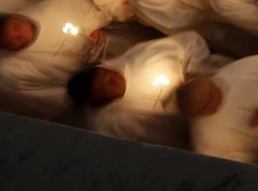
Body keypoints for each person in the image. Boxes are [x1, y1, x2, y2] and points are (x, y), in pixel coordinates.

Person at [70, 31, 214, 147]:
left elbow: (190, 42)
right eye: (107, 87)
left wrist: (194, 75)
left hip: (217, 86)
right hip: (200, 137)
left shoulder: (142, 56)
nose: (115, 78)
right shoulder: (105, 128)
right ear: (96, 99)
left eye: (109, 73)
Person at [0, 0, 113, 115]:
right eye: (11, 41)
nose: (19, 36)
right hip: (102, 91)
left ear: (16, 16)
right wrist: (87, 89)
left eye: (16, 27)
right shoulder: (8, 73)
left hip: (114, 44)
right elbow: (51, 99)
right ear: (1, 48)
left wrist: (93, 26)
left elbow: (90, 6)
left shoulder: (50, 9)